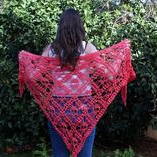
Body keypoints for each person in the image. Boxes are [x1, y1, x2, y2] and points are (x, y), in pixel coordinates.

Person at [41, 8, 97, 157]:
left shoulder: (51, 50)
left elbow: (34, 76)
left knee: (59, 154)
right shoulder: (88, 48)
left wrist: (25, 60)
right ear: (80, 26)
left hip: (58, 110)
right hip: (83, 109)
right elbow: (110, 75)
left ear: (60, 27)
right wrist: (119, 58)